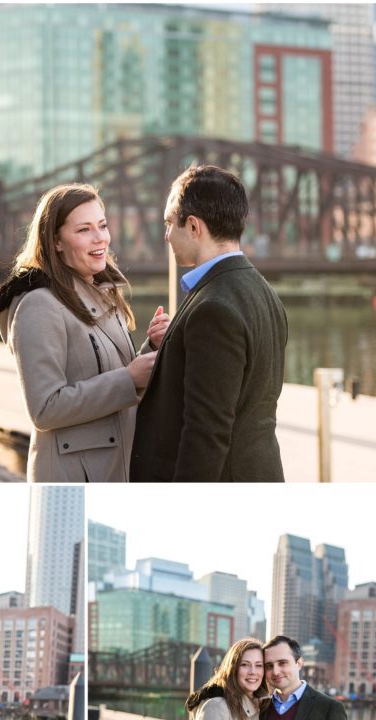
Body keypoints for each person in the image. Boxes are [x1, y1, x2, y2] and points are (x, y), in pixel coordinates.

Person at [0, 182, 157, 482]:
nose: (100, 237)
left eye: (102, 226)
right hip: (72, 480)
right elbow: (45, 408)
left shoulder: (101, 289)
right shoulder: (39, 304)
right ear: (56, 242)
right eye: (84, 230)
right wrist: (129, 379)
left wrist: (150, 349)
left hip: (114, 469)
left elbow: (107, 371)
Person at [129, 164, 288, 482]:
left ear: (193, 226)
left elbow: (206, 433)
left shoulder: (212, 308)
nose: (166, 235)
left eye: (169, 223)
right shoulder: (263, 292)